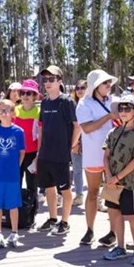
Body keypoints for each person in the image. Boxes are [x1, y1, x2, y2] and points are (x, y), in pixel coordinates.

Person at [102, 94, 134, 265]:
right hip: (112, 182)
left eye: (128, 108)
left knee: (131, 215)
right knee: (115, 213)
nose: (123, 111)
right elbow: (106, 155)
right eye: (121, 108)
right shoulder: (113, 132)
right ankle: (120, 247)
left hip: (130, 183)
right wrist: (109, 176)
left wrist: (118, 177)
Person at [36, 65, 81, 235]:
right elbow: (41, 127)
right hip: (45, 153)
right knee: (48, 187)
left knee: (65, 189)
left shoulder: (67, 101)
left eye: (51, 79)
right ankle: (53, 218)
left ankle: (65, 221)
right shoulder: (45, 102)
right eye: (45, 79)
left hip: (61, 154)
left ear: (60, 81)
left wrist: (71, 145)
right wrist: (39, 151)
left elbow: (77, 127)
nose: (47, 82)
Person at [76, 69, 118, 247]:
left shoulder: (115, 100)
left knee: (113, 194)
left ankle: (113, 232)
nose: (109, 86)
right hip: (93, 153)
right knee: (92, 193)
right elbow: (86, 128)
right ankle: (90, 229)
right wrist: (108, 116)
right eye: (105, 83)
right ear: (95, 86)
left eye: (109, 83)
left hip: (114, 153)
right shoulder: (83, 104)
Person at [0, 99, 25, 248]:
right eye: (0, 110)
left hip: (12, 174)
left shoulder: (18, 132)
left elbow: (21, 152)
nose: (3, 113)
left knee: (13, 204)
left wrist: (15, 166)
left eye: (7, 110)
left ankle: (14, 232)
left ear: (13, 113)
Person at [71, 79, 87, 206]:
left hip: (91, 143)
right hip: (77, 142)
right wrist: (75, 143)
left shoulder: (91, 104)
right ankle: (79, 194)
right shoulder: (72, 105)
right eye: (78, 88)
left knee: (95, 171)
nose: (80, 90)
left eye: (83, 87)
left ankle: (98, 200)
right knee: (77, 170)